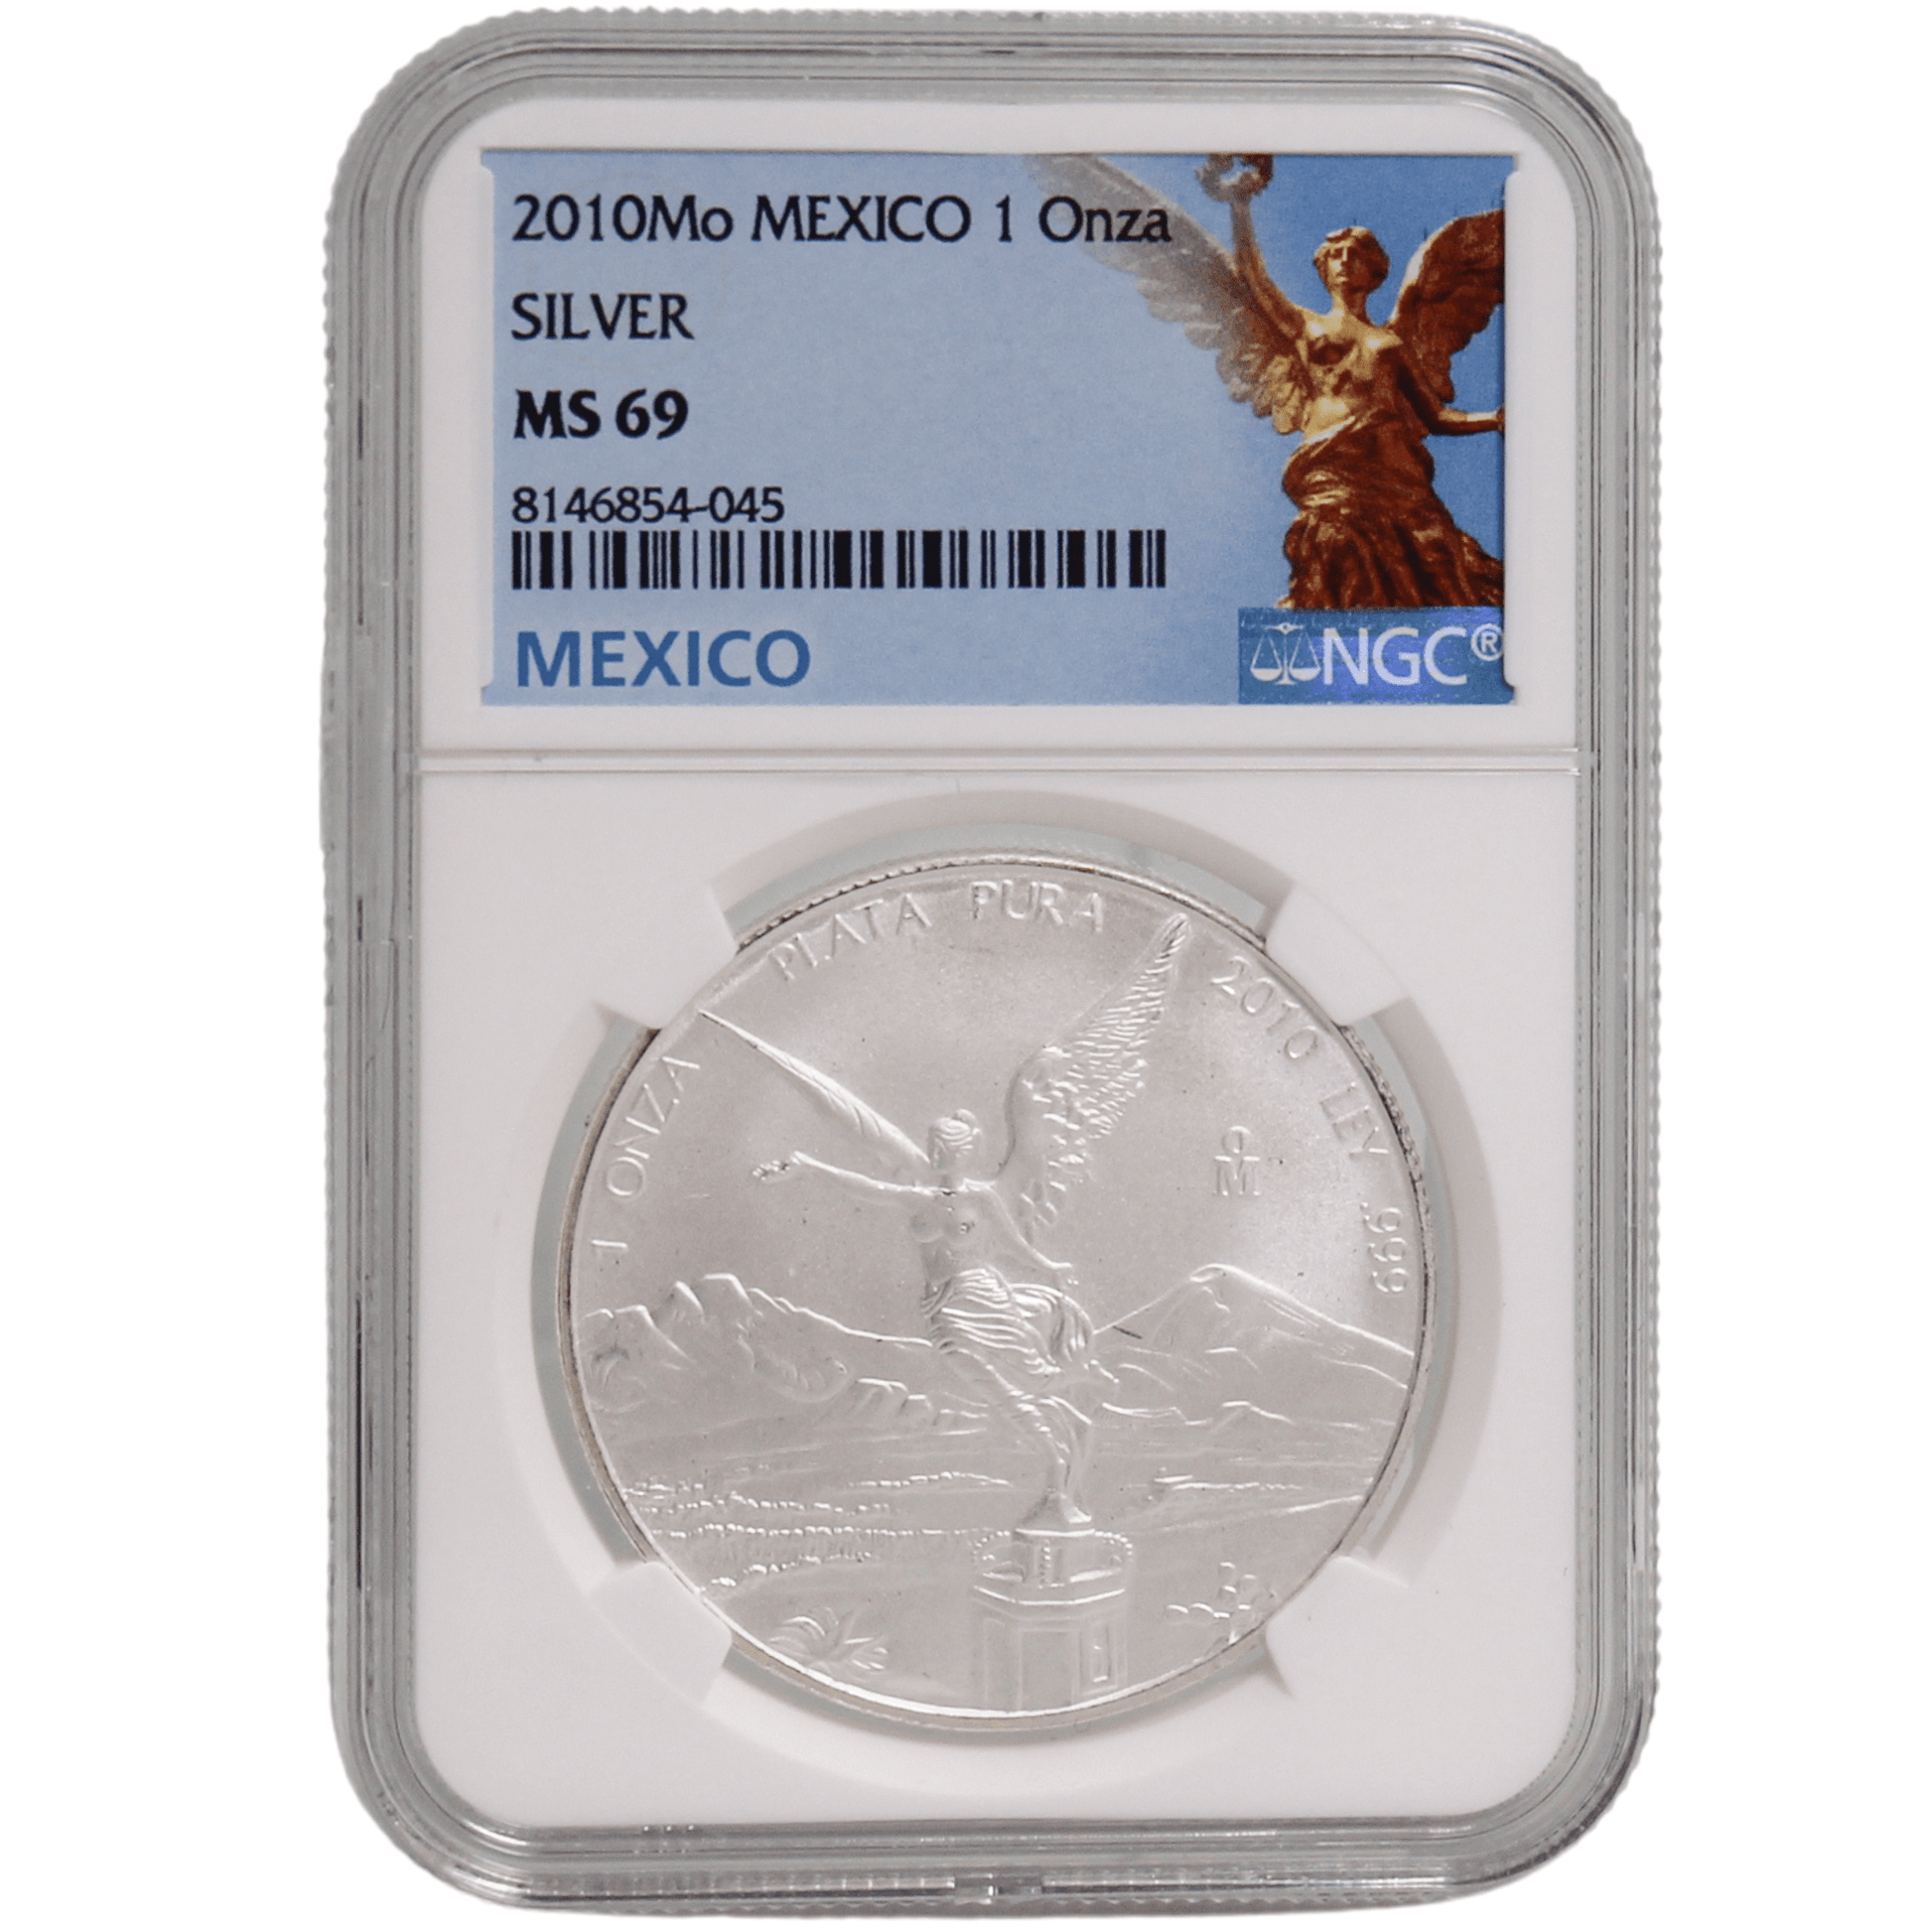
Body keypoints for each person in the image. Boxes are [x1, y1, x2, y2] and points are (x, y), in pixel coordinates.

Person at [756, 1110, 1099, 1523]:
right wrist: (811, 1167)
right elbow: (869, 1189)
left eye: (946, 1148)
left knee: (1027, 1379)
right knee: (987, 1381)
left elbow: (1011, 1243)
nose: (936, 1155)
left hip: (979, 1299)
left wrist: (1049, 1267)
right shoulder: (918, 1199)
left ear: (966, 1154)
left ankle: (1068, 1433)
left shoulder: (981, 1199)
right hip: (939, 1305)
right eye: (933, 1146)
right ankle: (1055, 1451)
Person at [1210, 157, 1505, 609]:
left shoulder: (1393, 341)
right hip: (1334, 466)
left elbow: (1436, 416)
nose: (1344, 262)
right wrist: (1240, 206)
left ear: (1374, 271)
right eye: (1335, 256)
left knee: (1435, 562)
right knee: (1339, 556)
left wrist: (1495, 418)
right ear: (1323, 269)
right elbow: (1254, 278)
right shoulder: (1306, 328)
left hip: (1397, 472)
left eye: (1355, 255)